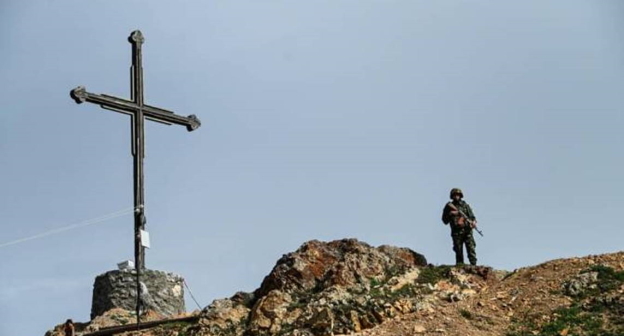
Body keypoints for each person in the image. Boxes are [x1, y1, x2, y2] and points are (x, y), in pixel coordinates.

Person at [441, 188, 478, 266]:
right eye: (454, 195)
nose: (456, 196)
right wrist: (451, 214)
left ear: (460, 196)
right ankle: (460, 266)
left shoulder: (465, 206)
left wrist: (473, 222)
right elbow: (444, 221)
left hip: (467, 231)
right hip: (456, 232)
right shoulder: (449, 206)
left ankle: (474, 265)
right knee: (458, 250)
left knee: (471, 248)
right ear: (452, 196)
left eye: (458, 195)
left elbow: (472, 217)